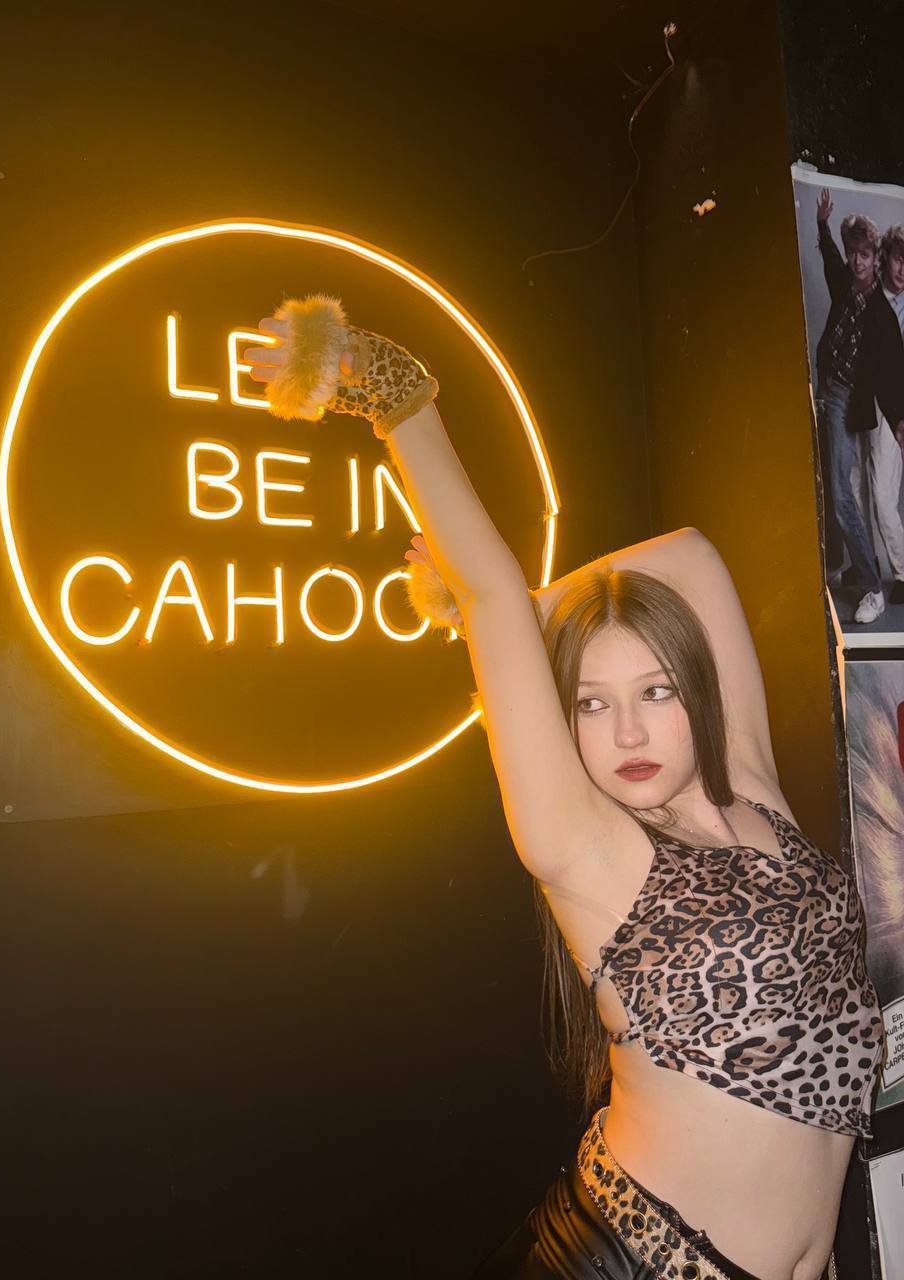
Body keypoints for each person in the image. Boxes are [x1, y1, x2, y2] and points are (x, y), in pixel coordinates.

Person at [244, 296, 886, 1280]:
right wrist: (393, 392)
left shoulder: (752, 790)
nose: (626, 732)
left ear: (697, 691)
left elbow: (689, 555)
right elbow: (494, 589)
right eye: (588, 703)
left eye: (656, 691)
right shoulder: (587, 849)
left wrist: (546, 619)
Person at [814, 189, 904, 625]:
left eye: (864, 255)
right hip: (828, 390)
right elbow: (830, 259)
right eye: (853, 254)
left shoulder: (882, 315)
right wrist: (821, 224)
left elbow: (890, 376)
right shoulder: (844, 282)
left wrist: (900, 422)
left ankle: (873, 588)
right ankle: (847, 568)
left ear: (874, 257)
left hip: (849, 401)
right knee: (839, 489)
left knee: (843, 495)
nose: (857, 262)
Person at [847, 223, 904, 606]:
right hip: (865, 405)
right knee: (859, 489)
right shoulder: (871, 294)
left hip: (895, 409)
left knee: (883, 494)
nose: (903, 270)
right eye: (899, 260)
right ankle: (866, 564)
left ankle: (902, 572)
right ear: (887, 258)